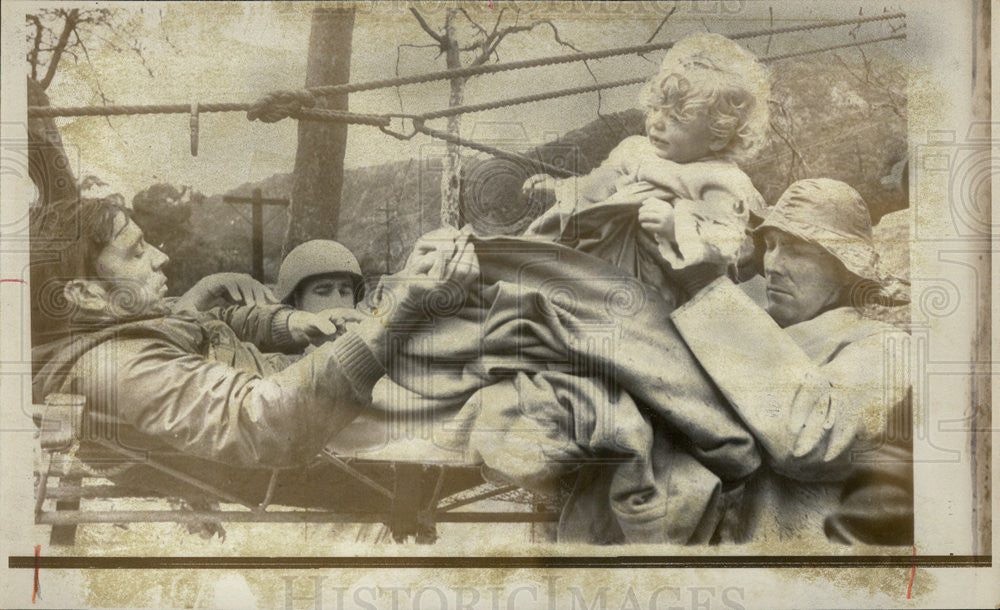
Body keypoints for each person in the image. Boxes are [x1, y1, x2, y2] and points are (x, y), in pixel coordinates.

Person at [30, 194, 478, 513]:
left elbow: (205, 321)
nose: (161, 258)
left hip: (324, 386)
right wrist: (398, 310)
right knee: (487, 324)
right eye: (136, 251)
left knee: (467, 299)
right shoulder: (121, 368)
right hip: (337, 433)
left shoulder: (121, 321)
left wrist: (289, 322)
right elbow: (263, 419)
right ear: (85, 294)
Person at [668, 178, 912, 544]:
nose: (775, 264)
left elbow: (813, 439)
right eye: (771, 246)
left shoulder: (886, 345)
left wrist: (705, 287)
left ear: (844, 266)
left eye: (796, 249)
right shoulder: (756, 333)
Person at [523, 33, 769, 301]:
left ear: (717, 134)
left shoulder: (720, 178)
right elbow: (596, 186)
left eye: (676, 118)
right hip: (602, 253)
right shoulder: (635, 149)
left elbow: (726, 239)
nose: (657, 123)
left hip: (664, 278)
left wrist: (677, 228)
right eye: (655, 109)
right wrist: (558, 188)